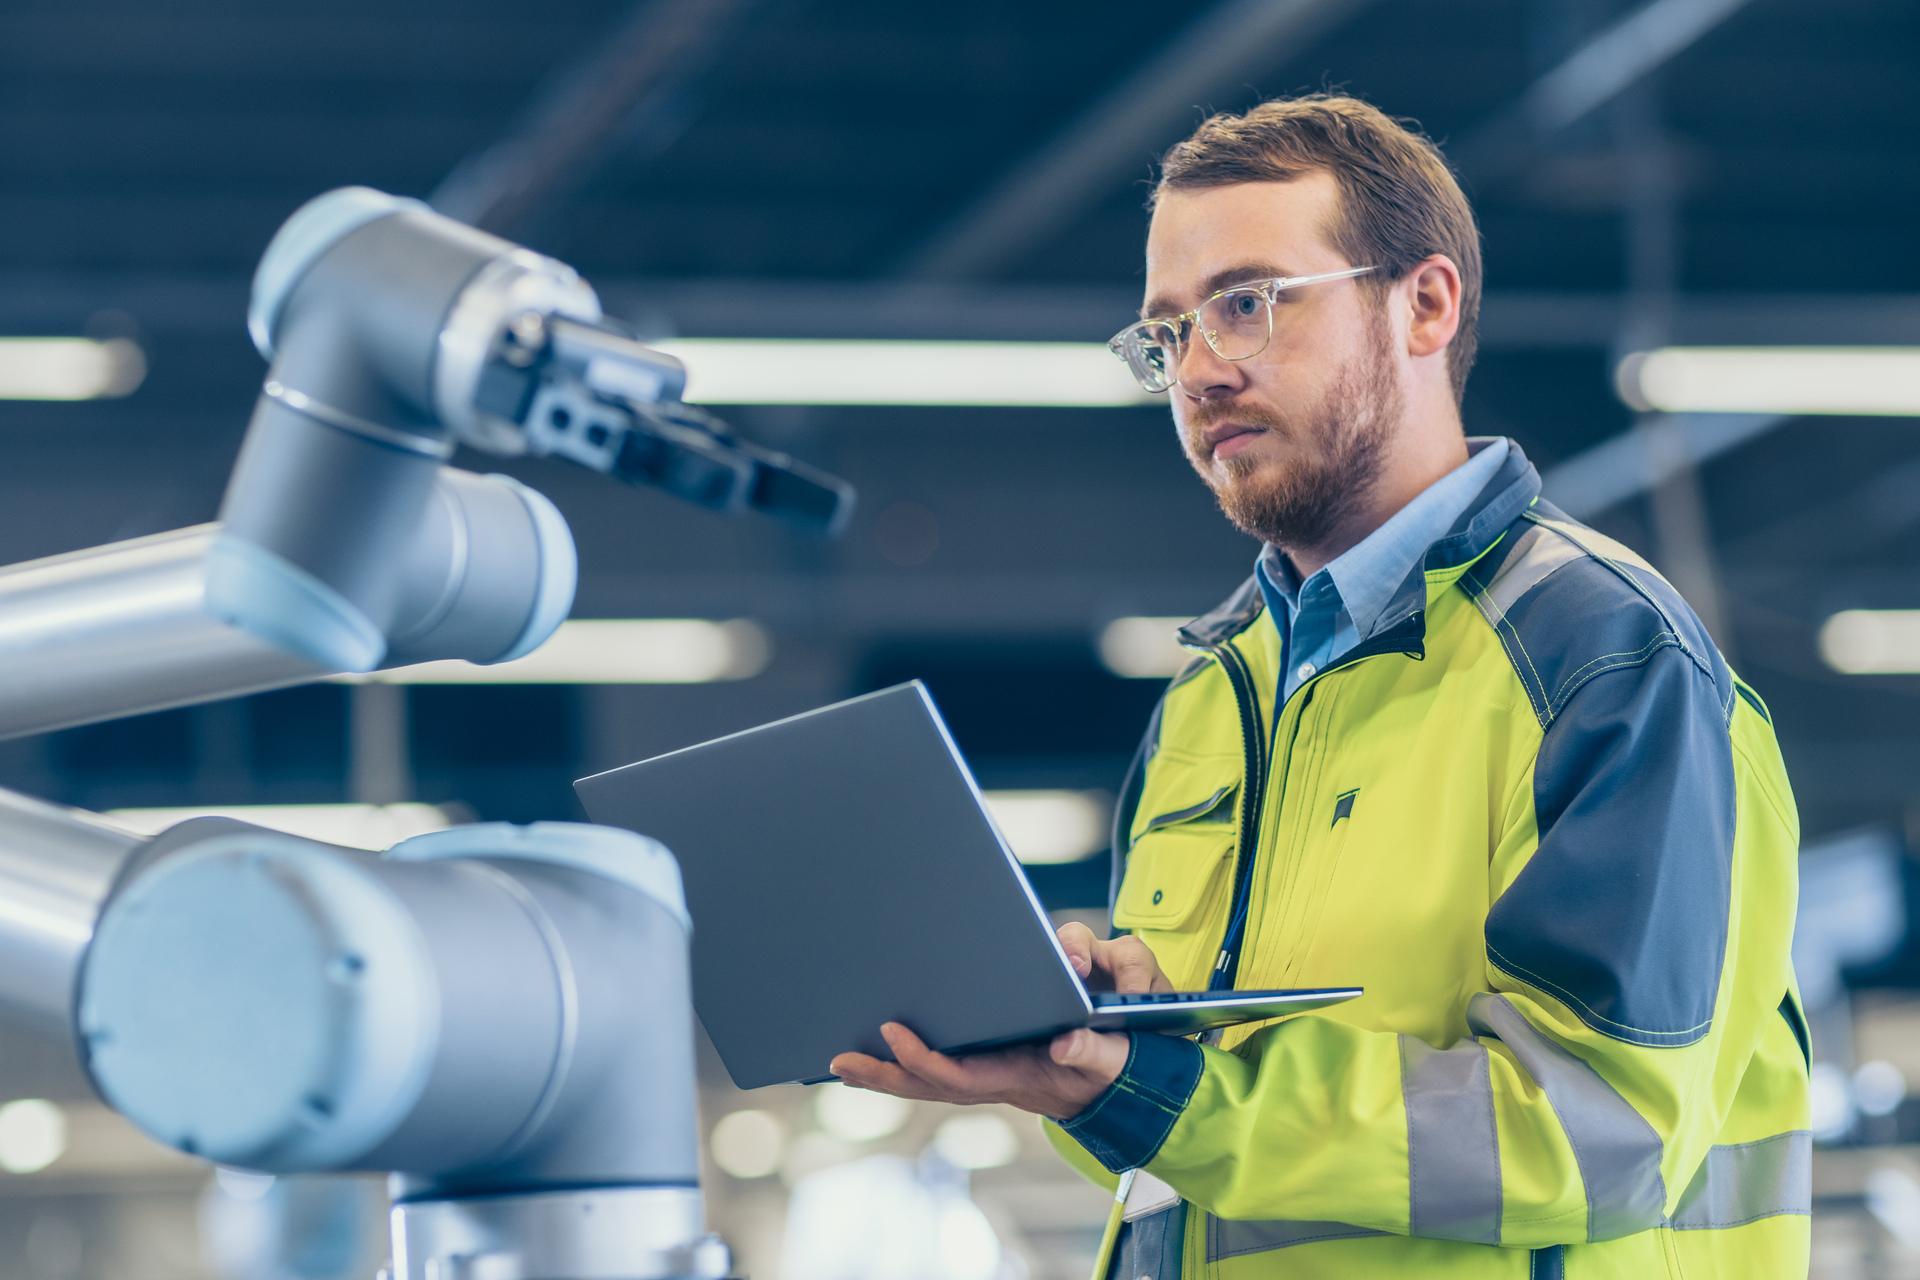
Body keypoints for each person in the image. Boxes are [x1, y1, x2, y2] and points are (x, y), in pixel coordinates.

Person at [831, 94, 1807, 1279]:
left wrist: (1164, 1089)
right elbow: (1184, 1158)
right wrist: (1104, 1055)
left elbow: (1596, 1130)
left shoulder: (1603, 658)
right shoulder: (1211, 699)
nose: (1197, 371)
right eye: (1168, 334)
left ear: (1425, 304)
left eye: (1246, 305)